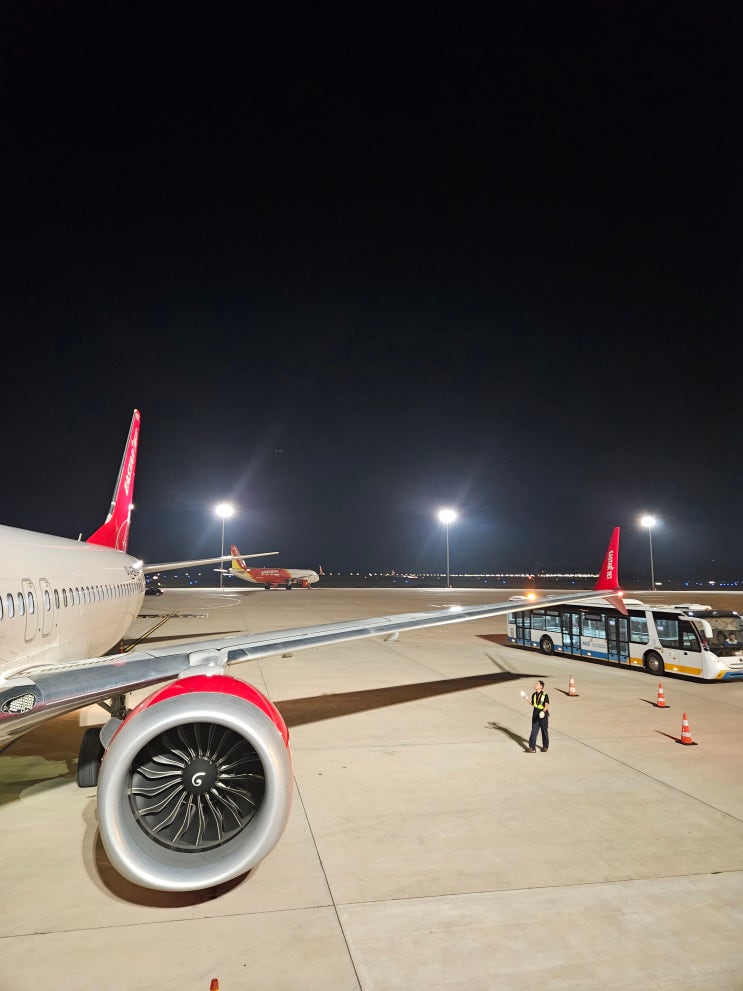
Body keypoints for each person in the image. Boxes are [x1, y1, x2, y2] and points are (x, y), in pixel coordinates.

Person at [525, 679, 550, 752]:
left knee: (544, 731)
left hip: (543, 715)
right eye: (535, 684)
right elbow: (533, 704)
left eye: (537, 684)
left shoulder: (545, 695)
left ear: (541, 686)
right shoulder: (534, 694)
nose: (535, 685)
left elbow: (546, 705)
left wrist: (543, 711)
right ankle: (532, 748)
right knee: (534, 731)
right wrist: (526, 698)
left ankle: (545, 747)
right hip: (535, 715)